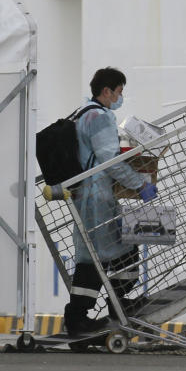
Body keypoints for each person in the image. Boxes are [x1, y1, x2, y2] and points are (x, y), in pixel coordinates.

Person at [63, 67, 158, 335]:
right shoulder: (100, 117)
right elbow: (110, 160)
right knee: (117, 250)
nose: (120, 97)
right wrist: (140, 184)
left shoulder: (83, 113)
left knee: (97, 254)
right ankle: (105, 309)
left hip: (88, 195)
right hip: (98, 197)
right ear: (106, 91)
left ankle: (90, 312)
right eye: (119, 91)